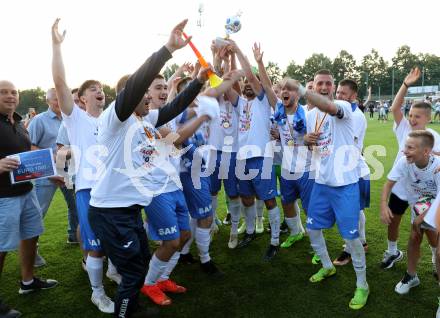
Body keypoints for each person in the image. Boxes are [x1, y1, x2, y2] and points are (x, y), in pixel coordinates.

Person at [87, 19, 210, 317]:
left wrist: (197, 82)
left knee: (140, 264)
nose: (148, 99)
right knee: (131, 273)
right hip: (110, 210)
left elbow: (173, 108)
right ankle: (125, 312)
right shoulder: (116, 120)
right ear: (130, 96)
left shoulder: (145, 121)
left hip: (128, 209)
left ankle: (132, 306)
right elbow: (136, 86)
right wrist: (168, 49)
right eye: (142, 94)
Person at [51, 19, 116, 314]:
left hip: (114, 190)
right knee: (96, 245)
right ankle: (97, 292)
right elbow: (60, 84)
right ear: (81, 99)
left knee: (114, 239)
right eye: (93, 89)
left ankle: (113, 271)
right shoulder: (76, 119)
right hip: (89, 191)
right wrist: (56, 46)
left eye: (101, 88)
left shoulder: (111, 120)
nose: (99, 91)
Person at [297, 70, 369, 309]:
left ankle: (362, 285)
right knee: (313, 229)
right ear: (315, 86)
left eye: (329, 83)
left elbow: (330, 108)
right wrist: (307, 141)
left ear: (333, 87)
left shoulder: (343, 106)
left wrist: (299, 90)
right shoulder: (310, 115)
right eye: (320, 83)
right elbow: (315, 148)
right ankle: (327, 266)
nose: (325, 86)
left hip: (345, 184)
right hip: (321, 182)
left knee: (351, 237)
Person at [0, 80, 58, 316]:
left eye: (13, 92)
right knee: (1, 247)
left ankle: (27, 281)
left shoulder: (19, 123)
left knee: (31, 235)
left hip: (26, 191)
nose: (10, 96)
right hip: (3, 198)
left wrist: (48, 161)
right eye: (3, 92)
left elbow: (25, 153)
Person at [226, 40, 282, 261]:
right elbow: (226, 84)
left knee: (269, 200)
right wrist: (223, 59)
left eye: (253, 83)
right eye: (246, 84)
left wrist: (238, 49)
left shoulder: (262, 103)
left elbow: (250, 76)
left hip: (262, 158)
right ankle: (249, 232)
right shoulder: (240, 104)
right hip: (243, 159)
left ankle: (275, 240)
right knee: (247, 198)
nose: (249, 85)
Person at [382, 67, 440, 270]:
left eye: (418, 116)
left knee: (428, 228)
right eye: (411, 115)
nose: (413, 119)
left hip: (424, 192)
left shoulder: (434, 138)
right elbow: (395, 108)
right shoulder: (404, 128)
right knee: (393, 221)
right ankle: (392, 251)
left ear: (428, 118)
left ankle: (435, 254)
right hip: (401, 187)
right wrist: (405, 84)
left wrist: (431, 155)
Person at [380, 131, 440, 310]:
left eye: (410, 148)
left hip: (437, 204)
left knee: (439, 253)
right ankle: (412, 276)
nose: (404, 151)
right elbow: (388, 183)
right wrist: (384, 205)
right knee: (414, 237)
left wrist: (422, 217)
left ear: (426, 151)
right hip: (421, 203)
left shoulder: (437, 167)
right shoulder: (405, 162)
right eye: (405, 146)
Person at [28, 88, 79, 258]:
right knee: (38, 213)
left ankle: (74, 237)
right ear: (48, 101)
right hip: (46, 174)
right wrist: (51, 163)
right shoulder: (39, 120)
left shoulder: (71, 119)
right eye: (55, 99)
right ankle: (32, 251)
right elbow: (30, 146)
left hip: (68, 172)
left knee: (75, 207)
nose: (59, 102)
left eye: (61, 98)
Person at [332, 79, 370, 266]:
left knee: (351, 211)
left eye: (343, 94)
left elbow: (345, 145)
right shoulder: (342, 111)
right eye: (337, 92)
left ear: (354, 96)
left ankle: (349, 249)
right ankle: (361, 242)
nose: (339, 96)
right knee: (356, 209)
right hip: (348, 169)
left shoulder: (355, 116)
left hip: (353, 171)